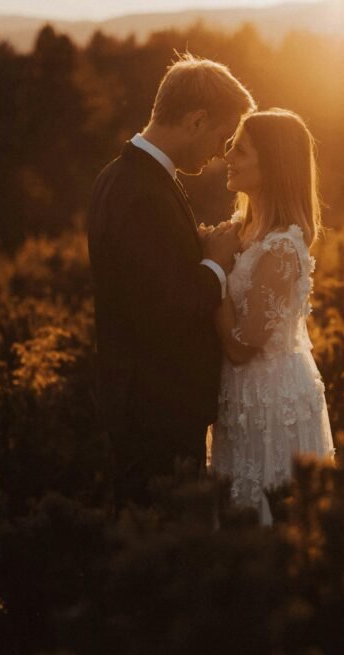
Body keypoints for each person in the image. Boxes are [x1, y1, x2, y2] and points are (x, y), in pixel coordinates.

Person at [87, 54, 256, 510]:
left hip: (141, 404)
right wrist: (216, 264)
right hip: (155, 411)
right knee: (164, 545)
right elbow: (170, 305)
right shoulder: (143, 191)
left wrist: (193, 252)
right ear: (197, 120)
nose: (221, 153)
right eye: (222, 137)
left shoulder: (119, 177)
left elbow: (148, 280)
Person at [207, 108, 336, 526]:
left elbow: (243, 347)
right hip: (240, 399)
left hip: (271, 402)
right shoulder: (240, 231)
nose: (228, 154)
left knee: (270, 519)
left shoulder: (282, 248)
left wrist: (216, 279)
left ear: (272, 165)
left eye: (240, 149)